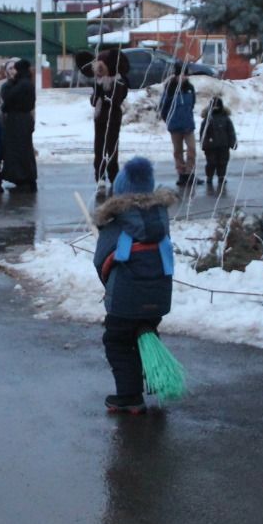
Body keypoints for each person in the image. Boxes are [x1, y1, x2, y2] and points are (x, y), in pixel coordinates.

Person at [91, 157, 177, 414]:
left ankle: (129, 396)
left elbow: (100, 262)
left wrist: (108, 285)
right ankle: (155, 378)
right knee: (144, 329)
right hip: (159, 297)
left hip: (126, 298)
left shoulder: (116, 222)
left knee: (117, 341)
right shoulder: (159, 219)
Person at [0, 58, 38, 191]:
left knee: (18, 150)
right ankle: (26, 178)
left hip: (17, 121)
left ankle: (22, 178)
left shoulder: (21, 84)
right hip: (23, 120)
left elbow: (8, 96)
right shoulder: (27, 83)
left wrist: (4, 107)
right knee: (24, 149)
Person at [90, 54, 128, 190]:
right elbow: (93, 101)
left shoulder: (119, 81)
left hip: (113, 119)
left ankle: (114, 176)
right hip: (100, 119)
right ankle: (100, 176)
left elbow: (116, 99)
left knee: (112, 149)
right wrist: (98, 89)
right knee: (99, 148)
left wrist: (104, 94)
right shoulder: (98, 82)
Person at [157, 62, 197, 188]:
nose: (184, 78)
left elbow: (192, 104)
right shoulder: (170, 88)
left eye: (185, 75)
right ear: (176, 75)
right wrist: (168, 120)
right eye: (181, 75)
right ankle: (181, 174)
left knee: (192, 149)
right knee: (178, 151)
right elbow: (163, 106)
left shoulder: (190, 88)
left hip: (188, 124)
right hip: (175, 125)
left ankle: (190, 173)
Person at [199, 96, 237, 191]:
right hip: (210, 146)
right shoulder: (207, 119)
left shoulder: (226, 119)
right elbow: (203, 133)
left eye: (217, 106)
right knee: (211, 162)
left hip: (224, 145)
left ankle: (221, 176)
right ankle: (209, 177)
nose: (216, 108)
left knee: (223, 162)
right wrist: (203, 144)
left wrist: (233, 143)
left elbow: (231, 132)